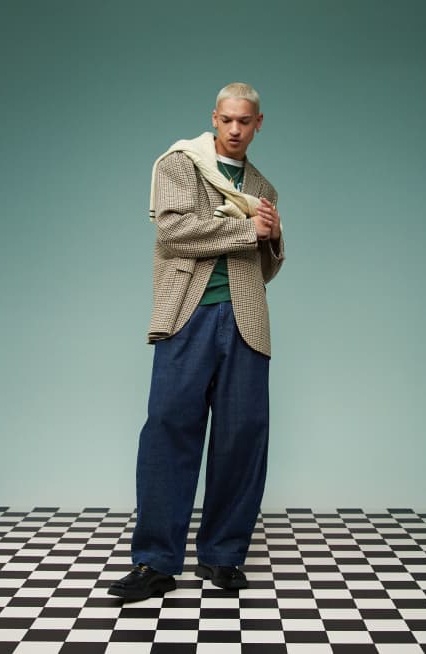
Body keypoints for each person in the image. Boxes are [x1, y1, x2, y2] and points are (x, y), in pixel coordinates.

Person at [108, 82, 285, 601]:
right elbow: (173, 231)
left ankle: (223, 555)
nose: (235, 129)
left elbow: (262, 269)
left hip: (247, 320)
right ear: (214, 118)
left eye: (245, 121)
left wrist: (274, 236)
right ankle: (155, 562)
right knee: (169, 430)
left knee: (243, 438)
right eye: (227, 119)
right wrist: (248, 230)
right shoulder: (180, 165)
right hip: (187, 314)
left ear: (258, 123)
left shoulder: (263, 187)